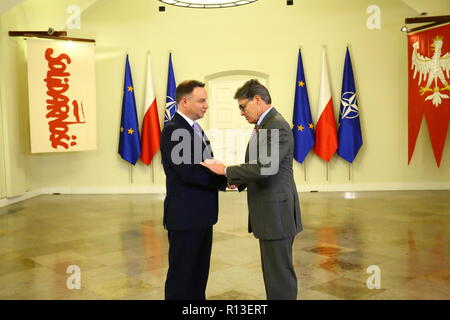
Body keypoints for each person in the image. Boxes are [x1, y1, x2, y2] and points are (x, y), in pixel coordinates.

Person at [200, 79, 302, 300]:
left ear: (257, 100)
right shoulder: (265, 125)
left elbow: (265, 167)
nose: (241, 112)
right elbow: (260, 163)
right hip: (270, 212)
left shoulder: (277, 125)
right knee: (274, 272)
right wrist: (239, 180)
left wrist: (226, 170)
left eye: (243, 106)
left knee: (279, 274)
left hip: (277, 213)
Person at [160, 80, 228, 300]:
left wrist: (223, 173)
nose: (206, 105)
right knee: (182, 277)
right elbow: (188, 172)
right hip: (185, 217)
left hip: (201, 215)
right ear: (184, 101)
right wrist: (225, 180)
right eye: (202, 100)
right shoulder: (174, 130)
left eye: (206, 100)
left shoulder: (194, 128)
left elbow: (206, 163)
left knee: (198, 276)